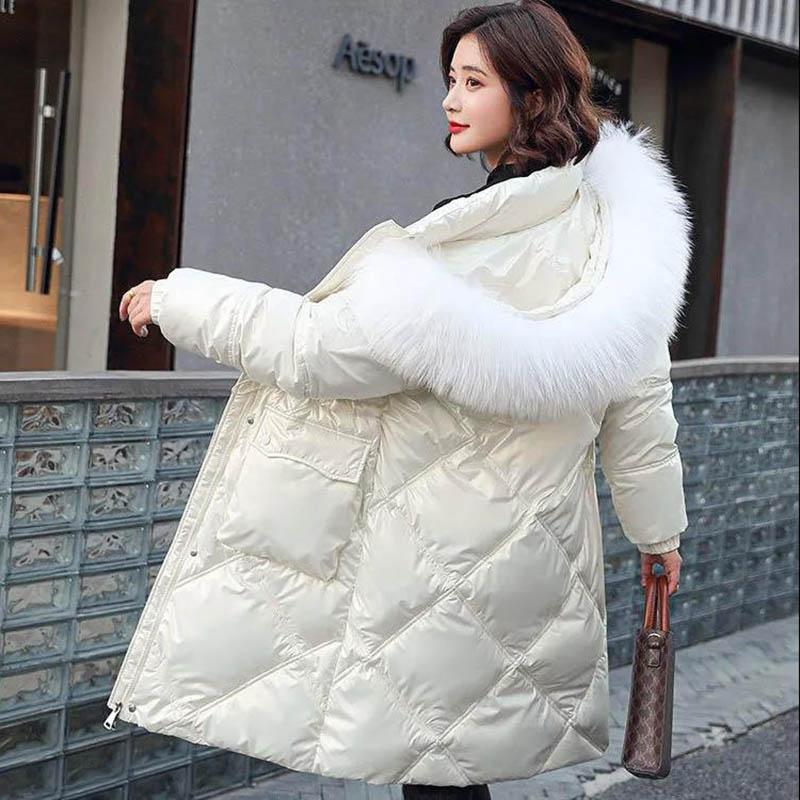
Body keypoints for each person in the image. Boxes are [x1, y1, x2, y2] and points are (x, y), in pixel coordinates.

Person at [114, 2, 687, 798]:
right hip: (532, 555)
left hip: (441, 550)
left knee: (438, 775)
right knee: (453, 773)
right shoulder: (617, 234)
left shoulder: (476, 240)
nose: (450, 99)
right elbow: (642, 398)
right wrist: (658, 533)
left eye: (474, 82)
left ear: (530, 95)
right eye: (451, 79)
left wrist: (180, 300)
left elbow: (324, 350)